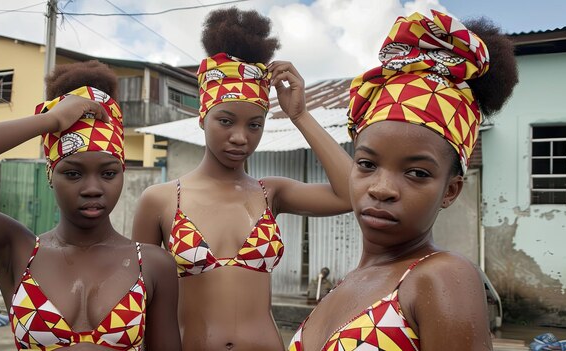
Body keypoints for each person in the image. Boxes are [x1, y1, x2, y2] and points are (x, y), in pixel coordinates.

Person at [287, 11, 518, 351]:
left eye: (417, 173)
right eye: (366, 164)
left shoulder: (440, 277)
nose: (381, 188)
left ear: (450, 191)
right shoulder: (346, 284)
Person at [132, 7, 352, 351]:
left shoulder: (271, 193)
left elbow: (354, 195)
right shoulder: (159, 200)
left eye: (255, 124)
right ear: (202, 116)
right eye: (226, 121)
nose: (240, 137)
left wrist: (300, 115)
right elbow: (143, 302)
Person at [0, 61, 181, 350]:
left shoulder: (153, 264)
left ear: (123, 173)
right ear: (51, 174)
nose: (92, 189)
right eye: (73, 173)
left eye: (109, 173)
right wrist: (48, 122)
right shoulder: (15, 250)